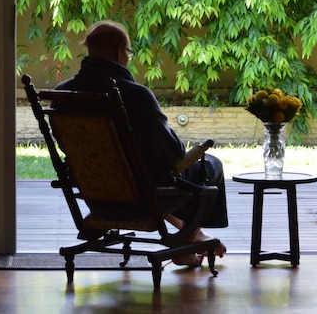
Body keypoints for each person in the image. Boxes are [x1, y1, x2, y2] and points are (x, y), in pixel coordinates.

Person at [55, 20, 228, 266]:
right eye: (128, 52)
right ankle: (186, 240)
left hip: (94, 196)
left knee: (144, 174)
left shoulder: (62, 94)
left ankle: (190, 235)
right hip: (140, 199)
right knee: (210, 165)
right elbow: (174, 156)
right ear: (119, 52)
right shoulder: (135, 95)